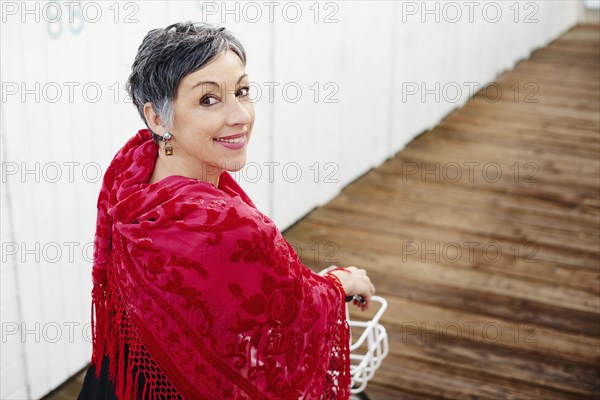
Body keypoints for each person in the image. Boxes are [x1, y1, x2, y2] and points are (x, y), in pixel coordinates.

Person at [79, 21, 375, 400]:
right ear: (157, 118)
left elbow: (215, 301)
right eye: (208, 100)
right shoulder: (225, 227)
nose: (240, 116)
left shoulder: (131, 170)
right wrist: (340, 283)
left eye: (242, 91)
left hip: (116, 379)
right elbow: (295, 310)